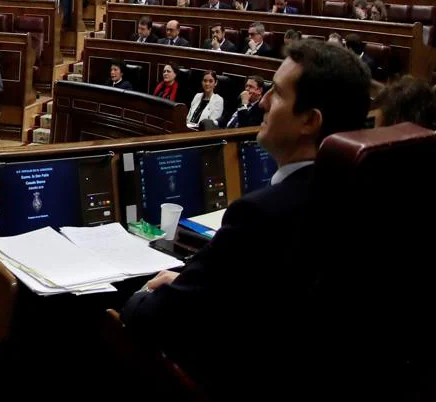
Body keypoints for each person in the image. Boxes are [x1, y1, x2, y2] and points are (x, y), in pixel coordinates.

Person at [122, 41, 371, 399]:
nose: (264, 101)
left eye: (278, 94)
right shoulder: (357, 192)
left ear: (309, 120)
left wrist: (144, 294)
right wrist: (197, 281)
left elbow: (157, 319)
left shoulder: (261, 214)